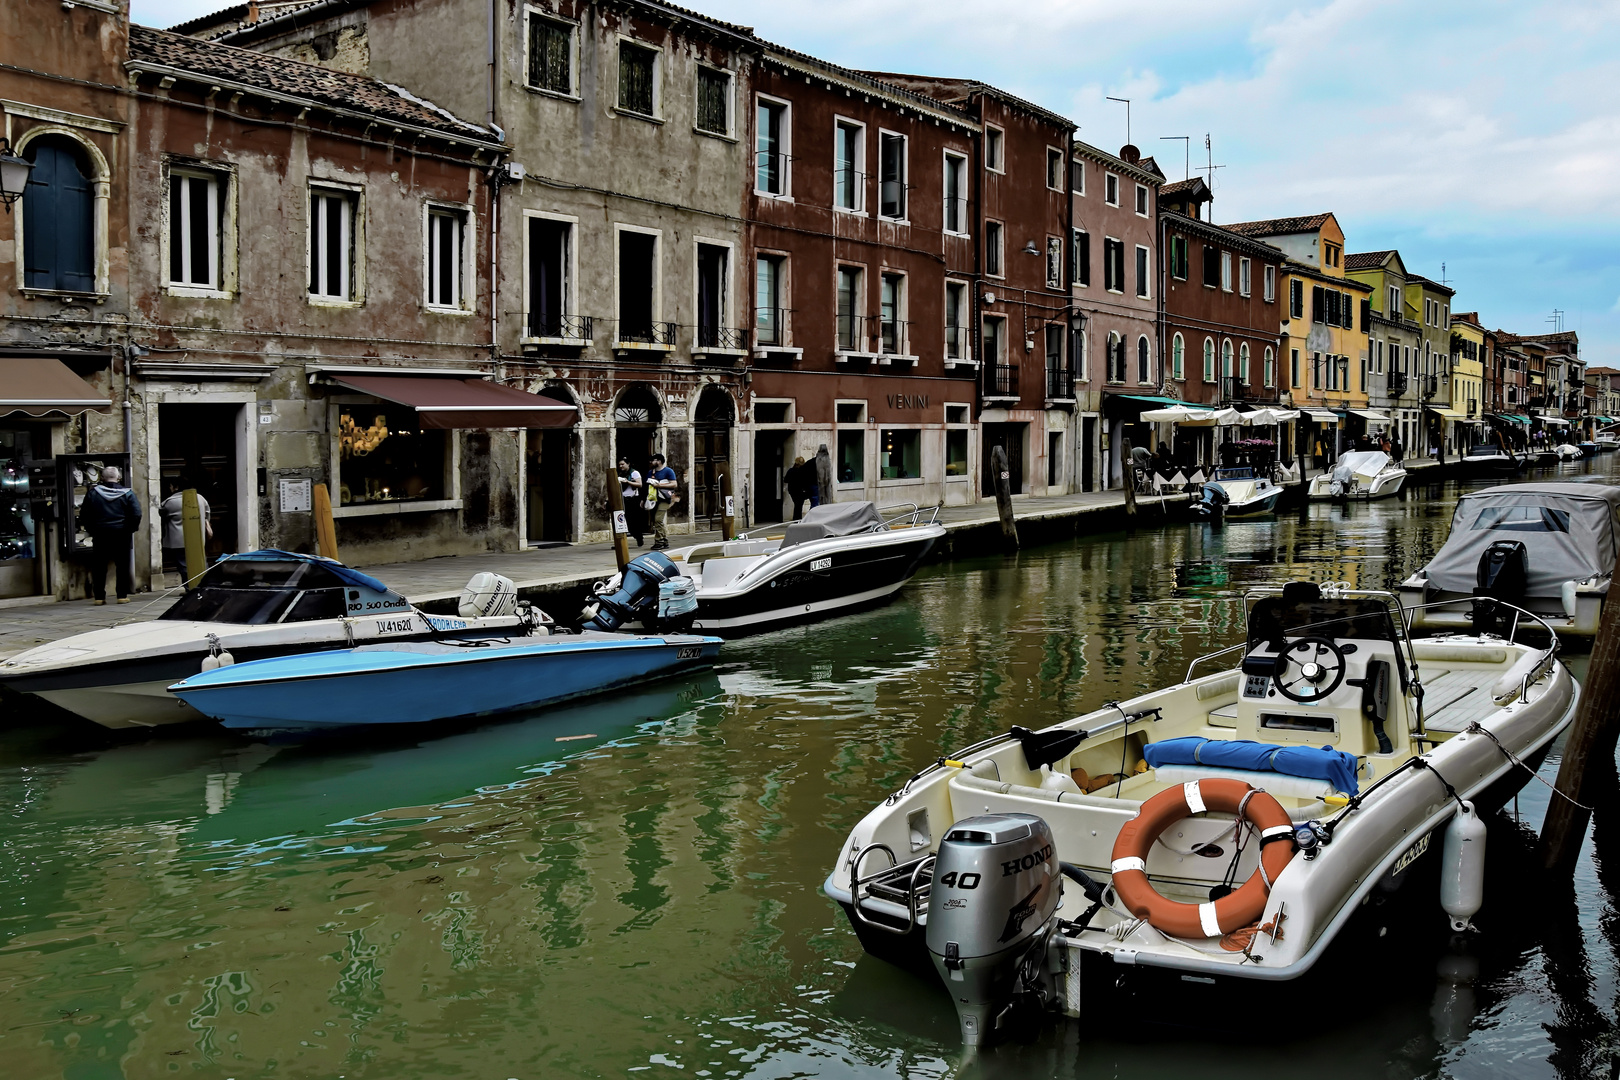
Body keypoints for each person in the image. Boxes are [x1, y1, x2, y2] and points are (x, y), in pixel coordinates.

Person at [79, 465, 141, 605]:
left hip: (100, 533)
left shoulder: (93, 493)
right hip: (121, 533)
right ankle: (121, 595)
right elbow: (136, 514)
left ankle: (99, 597)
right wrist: (130, 529)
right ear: (118, 477)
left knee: (99, 566)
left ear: (102, 478)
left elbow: (84, 514)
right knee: (122, 565)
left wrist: (92, 529)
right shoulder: (128, 494)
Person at [159, 478, 212, 585]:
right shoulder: (200, 498)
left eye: (171, 486)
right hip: (197, 536)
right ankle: (204, 585)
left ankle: (189, 587)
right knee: (200, 562)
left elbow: (162, 515)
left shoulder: (169, 502)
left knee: (183, 564)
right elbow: (207, 514)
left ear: (176, 487)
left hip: (177, 539)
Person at [646, 452, 678, 550]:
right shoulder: (651, 472)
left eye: (654, 460)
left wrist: (659, 485)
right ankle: (664, 541)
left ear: (659, 461)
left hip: (665, 498)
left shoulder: (668, 471)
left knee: (658, 519)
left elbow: (674, 484)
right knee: (656, 521)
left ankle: (659, 541)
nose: (651, 462)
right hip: (653, 499)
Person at [616, 457, 644, 547]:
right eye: (619, 464)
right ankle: (621, 542)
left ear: (628, 464)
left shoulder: (634, 473)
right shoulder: (620, 473)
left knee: (632, 521)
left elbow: (639, 484)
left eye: (622, 464)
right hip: (621, 498)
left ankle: (639, 537)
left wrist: (627, 482)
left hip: (632, 499)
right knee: (620, 521)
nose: (621, 466)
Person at [786, 456, 814, 520]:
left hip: (793, 491)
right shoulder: (803, 471)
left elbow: (786, 480)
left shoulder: (791, 470)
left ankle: (797, 519)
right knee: (798, 505)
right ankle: (797, 519)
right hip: (800, 491)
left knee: (797, 505)